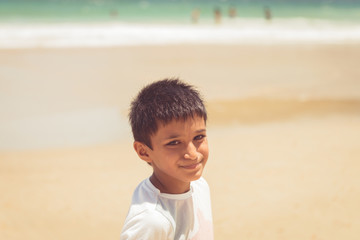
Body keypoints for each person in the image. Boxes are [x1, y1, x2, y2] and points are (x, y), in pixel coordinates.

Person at [120, 79, 214, 240]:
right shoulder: (151, 221)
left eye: (198, 137)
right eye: (174, 143)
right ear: (144, 151)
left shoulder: (199, 186)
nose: (192, 154)